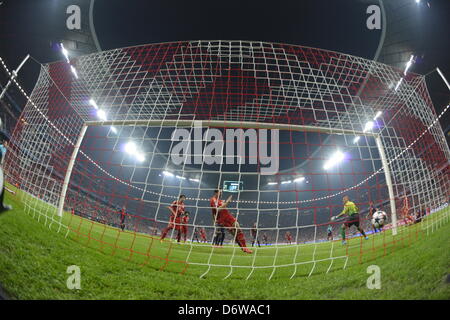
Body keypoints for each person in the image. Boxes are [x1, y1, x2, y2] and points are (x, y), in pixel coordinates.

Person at [210, 189, 252, 253]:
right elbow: (217, 209)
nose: (221, 194)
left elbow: (214, 211)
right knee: (236, 233)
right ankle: (243, 248)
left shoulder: (220, 200)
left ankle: (244, 248)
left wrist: (214, 219)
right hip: (224, 220)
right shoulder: (213, 200)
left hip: (228, 217)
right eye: (220, 192)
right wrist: (227, 202)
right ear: (216, 192)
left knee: (237, 230)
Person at [0, 139, 12, 214]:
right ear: (3, 143)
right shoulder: (0, 147)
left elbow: (3, 157)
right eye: (6, 143)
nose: (6, 145)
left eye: (7, 144)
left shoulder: (5, 149)